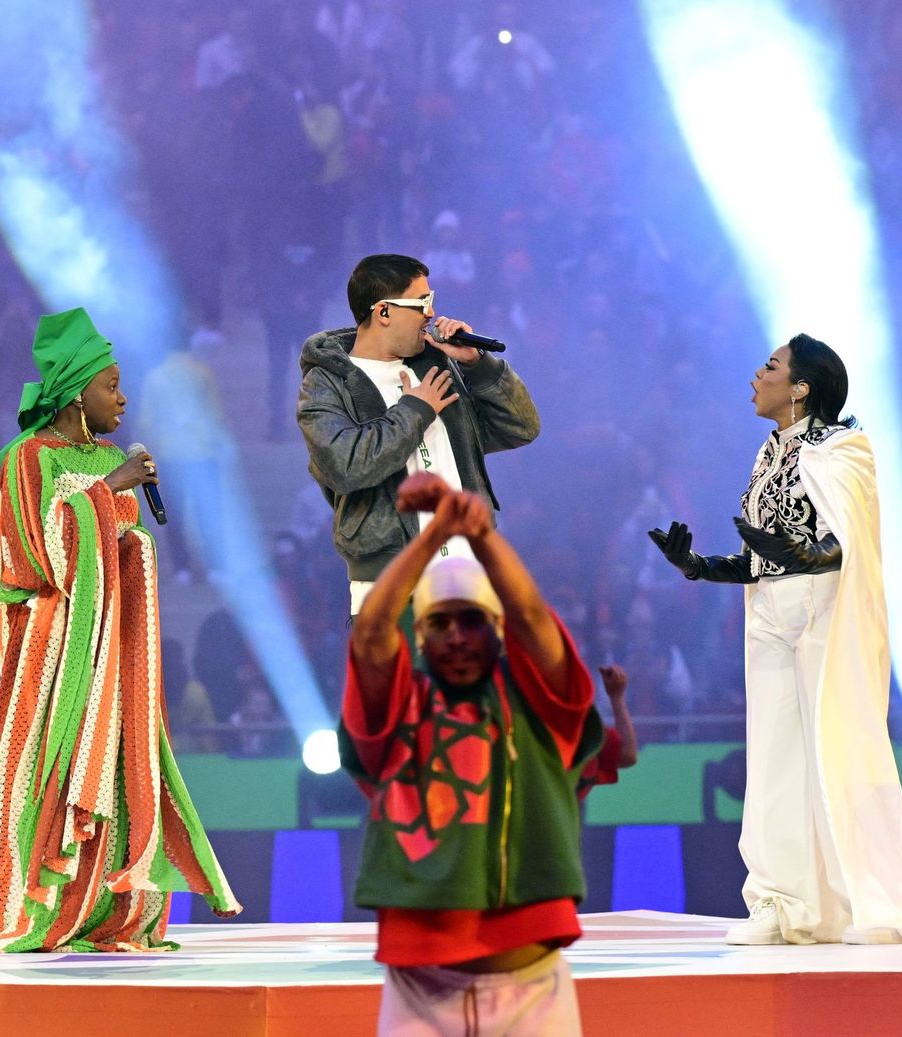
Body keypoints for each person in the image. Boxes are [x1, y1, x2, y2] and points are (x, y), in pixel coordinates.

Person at [0, 307, 240, 953]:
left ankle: (106, 911)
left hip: (109, 651)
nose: (122, 398)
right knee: (43, 770)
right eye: (111, 385)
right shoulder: (27, 458)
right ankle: (34, 909)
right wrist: (110, 490)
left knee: (118, 768)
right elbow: (38, 556)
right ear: (76, 392)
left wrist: (120, 508)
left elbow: (122, 544)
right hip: (50, 649)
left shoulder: (110, 455)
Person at [647, 333, 902, 946]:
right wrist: (700, 565)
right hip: (771, 614)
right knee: (776, 758)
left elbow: (849, 538)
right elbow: (763, 555)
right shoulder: (768, 450)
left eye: (771, 366)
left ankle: (878, 904)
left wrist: (804, 552)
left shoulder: (843, 445)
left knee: (841, 746)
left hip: (825, 609)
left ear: (801, 387)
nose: (757, 374)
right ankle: (784, 902)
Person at [341, 472, 603, 1035]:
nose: (457, 636)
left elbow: (532, 616)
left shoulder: (542, 708)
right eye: (439, 622)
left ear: (498, 630)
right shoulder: (397, 709)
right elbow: (370, 632)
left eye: (473, 620)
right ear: (420, 636)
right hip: (421, 994)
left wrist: (480, 533)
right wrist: (436, 530)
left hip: (533, 991)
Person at [298, 254, 540, 614]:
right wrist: (416, 410)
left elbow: (522, 427)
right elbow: (345, 465)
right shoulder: (328, 383)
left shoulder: (436, 365)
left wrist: (478, 365)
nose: (431, 314)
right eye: (422, 302)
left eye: (432, 300)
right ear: (383, 312)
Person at [578, 663, 641, 802]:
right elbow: (627, 755)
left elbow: (627, 755)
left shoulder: (582, 733)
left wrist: (616, 697)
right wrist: (616, 696)